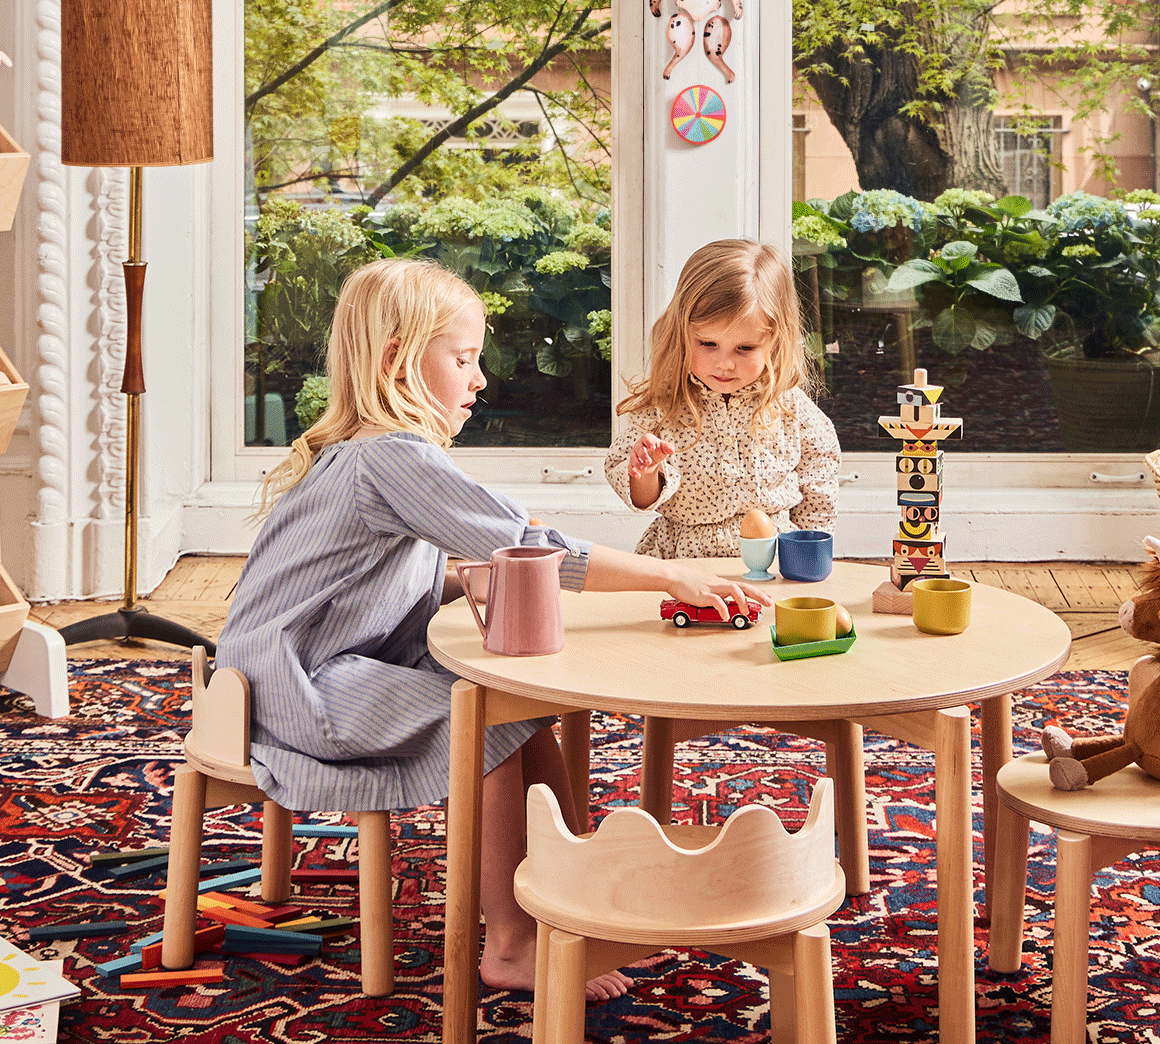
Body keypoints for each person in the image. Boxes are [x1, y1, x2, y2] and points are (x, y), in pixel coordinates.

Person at [219, 256, 760, 1001]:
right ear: (398, 361)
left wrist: (450, 581)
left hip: (302, 668)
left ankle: (573, 903)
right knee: (487, 725)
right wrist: (673, 574)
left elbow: (350, 581)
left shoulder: (359, 453)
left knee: (522, 717)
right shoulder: (390, 456)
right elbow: (529, 542)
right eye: (464, 359)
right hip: (301, 689)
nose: (478, 380)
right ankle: (509, 942)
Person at [604, 240, 841, 558]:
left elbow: (819, 488)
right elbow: (642, 499)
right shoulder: (664, 408)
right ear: (682, 333)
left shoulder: (791, 409)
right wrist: (646, 472)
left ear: (774, 339)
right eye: (708, 343)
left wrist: (807, 558)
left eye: (745, 348)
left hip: (770, 559)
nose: (724, 363)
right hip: (682, 561)